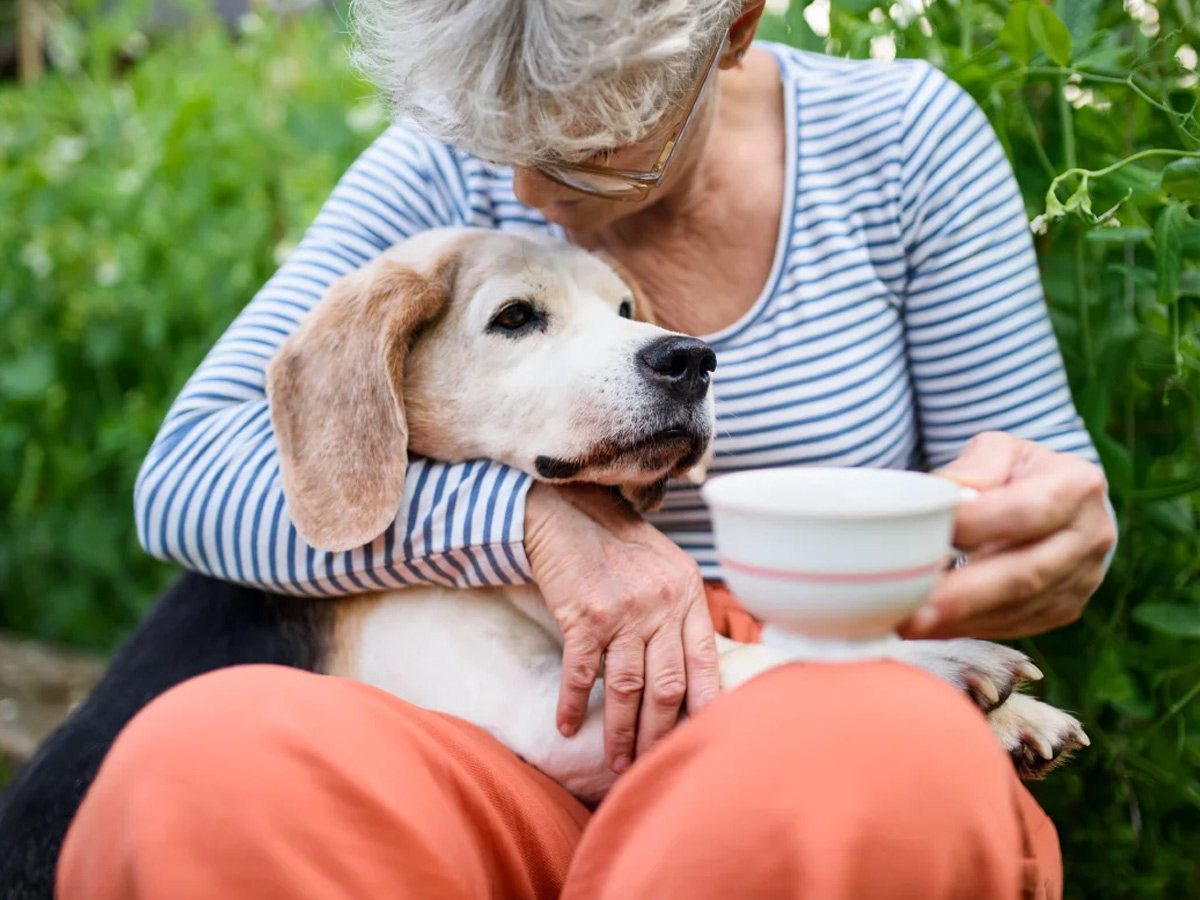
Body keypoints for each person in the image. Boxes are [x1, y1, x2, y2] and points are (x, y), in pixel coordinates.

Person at [58, 0, 1117, 897]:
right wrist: (530, 522)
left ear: (733, 29)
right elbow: (194, 474)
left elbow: (1026, 474)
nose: (525, 192)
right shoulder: (447, 169)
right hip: (492, 733)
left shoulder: (902, 144)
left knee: (867, 756)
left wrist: (1041, 536)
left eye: (590, 143)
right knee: (211, 766)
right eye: (505, 144)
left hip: (804, 719)